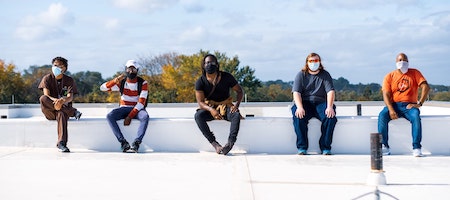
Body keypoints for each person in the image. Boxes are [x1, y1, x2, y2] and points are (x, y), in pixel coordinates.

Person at [378, 53, 430, 157]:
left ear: (408, 62)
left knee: (415, 116)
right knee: (382, 115)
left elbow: (426, 87)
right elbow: (386, 94)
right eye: (400, 60)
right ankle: (384, 145)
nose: (403, 62)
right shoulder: (390, 76)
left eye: (405, 60)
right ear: (396, 62)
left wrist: (419, 103)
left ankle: (416, 147)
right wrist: (391, 109)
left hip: (409, 106)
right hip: (394, 105)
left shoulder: (415, 73)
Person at [194, 54, 244, 155]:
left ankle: (230, 144)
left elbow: (239, 91)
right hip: (210, 108)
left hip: (225, 107)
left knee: (236, 115)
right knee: (198, 116)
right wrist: (211, 110)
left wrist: (236, 105)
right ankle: (215, 144)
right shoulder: (200, 81)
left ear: (217, 65)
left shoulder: (226, 77)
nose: (210, 65)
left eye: (212, 62)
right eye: (207, 63)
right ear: (203, 65)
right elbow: (200, 102)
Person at [291, 53, 337, 155]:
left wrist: (329, 107)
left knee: (330, 118)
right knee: (298, 117)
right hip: (304, 103)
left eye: (316, 60)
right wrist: (299, 107)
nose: (314, 63)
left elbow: (330, 91)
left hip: (321, 103)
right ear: (307, 63)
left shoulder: (325, 75)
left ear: (320, 62)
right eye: (311, 61)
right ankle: (302, 147)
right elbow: (296, 92)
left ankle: (325, 147)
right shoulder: (301, 75)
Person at [100, 60, 149, 153]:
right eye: (129, 69)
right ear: (126, 70)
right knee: (110, 116)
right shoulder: (121, 83)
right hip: (123, 108)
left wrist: (130, 116)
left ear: (137, 70)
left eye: (133, 69)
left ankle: (137, 143)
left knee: (145, 116)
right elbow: (102, 88)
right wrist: (115, 81)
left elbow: (141, 103)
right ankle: (123, 142)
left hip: (137, 109)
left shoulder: (143, 83)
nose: (131, 71)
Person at [38, 56, 82, 153]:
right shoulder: (47, 78)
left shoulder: (69, 80)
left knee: (61, 113)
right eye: (55, 65)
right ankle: (73, 112)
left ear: (65, 68)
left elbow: (70, 97)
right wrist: (57, 103)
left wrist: (62, 101)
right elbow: (47, 96)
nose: (57, 68)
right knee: (43, 99)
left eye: (60, 66)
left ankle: (61, 143)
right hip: (50, 111)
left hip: (62, 109)